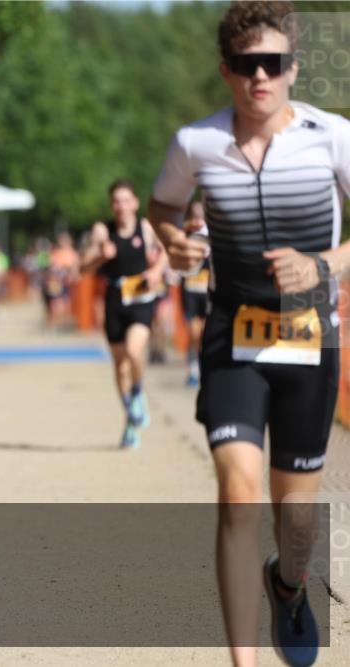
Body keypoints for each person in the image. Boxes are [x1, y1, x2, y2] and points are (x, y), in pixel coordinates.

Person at [149, 3, 350, 665]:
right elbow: (163, 207)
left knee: (296, 524)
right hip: (233, 336)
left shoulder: (333, 137)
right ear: (226, 70)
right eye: (245, 64)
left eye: (273, 63)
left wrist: (320, 265)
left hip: (309, 340)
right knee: (237, 493)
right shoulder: (196, 142)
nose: (259, 76)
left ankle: (287, 584)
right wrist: (175, 242)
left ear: (293, 67)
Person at [81, 180, 168, 449]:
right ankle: (130, 419)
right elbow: (84, 268)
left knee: (134, 350)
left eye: (125, 200)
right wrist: (100, 255)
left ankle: (139, 392)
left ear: (135, 203)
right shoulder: (102, 230)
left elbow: (166, 251)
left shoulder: (146, 227)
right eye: (116, 201)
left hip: (141, 296)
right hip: (115, 299)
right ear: (112, 205)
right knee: (119, 366)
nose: (121, 206)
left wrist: (156, 271)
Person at [179, 200, 211, 386]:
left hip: (207, 289)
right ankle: (192, 368)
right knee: (193, 332)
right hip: (190, 289)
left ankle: (203, 367)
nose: (198, 217)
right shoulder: (185, 233)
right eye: (195, 213)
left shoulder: (214, 233)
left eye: (201, 213)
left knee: (205, 333)